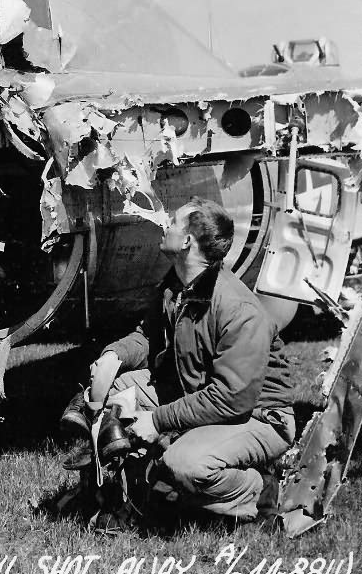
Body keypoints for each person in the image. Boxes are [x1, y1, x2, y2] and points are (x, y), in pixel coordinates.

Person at [61, 197, 296, 524]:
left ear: (187, 241)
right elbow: (147, 335)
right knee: (108, 393)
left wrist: (157, 421)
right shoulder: (177, 285)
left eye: (171, 222)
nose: (163, 225)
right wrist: (114, 355)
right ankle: (121, 497)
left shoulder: (239, 310)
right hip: (200, 393)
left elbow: (231, 399)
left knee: (185, 464)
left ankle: (261, 493)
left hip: (258, 416)